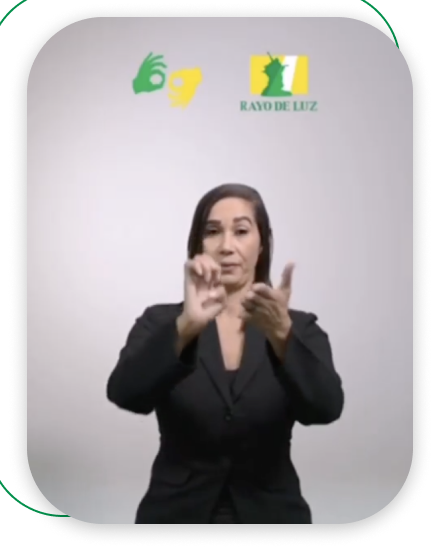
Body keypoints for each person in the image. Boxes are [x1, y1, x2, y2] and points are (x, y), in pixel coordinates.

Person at [106, 183, 344, 524]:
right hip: (175, 514)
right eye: (213, 231)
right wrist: (185, 327)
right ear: (198, 245)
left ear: (262, 244)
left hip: (273, 515)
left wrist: (281, 335)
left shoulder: (299, 328)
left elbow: (326, 409)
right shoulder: (161, 322)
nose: (227, 246)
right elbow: (125, 394)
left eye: (241, 231)